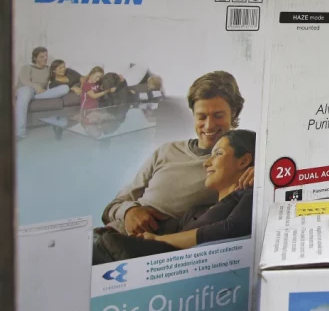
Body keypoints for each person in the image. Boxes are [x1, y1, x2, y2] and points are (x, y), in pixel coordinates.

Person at [101, 70, 249, 236]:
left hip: (150, 250)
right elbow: (112, 207)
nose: (208, 126)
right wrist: (129, 212)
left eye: (218, 116)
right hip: (108, 236)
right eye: (201, 117)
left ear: (234, 113)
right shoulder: (166, 151)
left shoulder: (243, 158)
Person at [93, 130, 256, 262]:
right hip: (112, 250)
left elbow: (230, 228)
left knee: (104, 243)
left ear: (243, 161)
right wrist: (130, 213)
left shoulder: (249, 197)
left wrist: (158, 240)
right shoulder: (195, 212)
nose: (206, 162)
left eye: (218, 154)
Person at [15, 47, 69, 137]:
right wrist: (37, 87)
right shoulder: (26, 67)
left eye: (46, 56)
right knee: (26, 91)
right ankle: (20, 133)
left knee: (65, 88)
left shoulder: (48, 70)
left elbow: (60, 73)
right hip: (27, 90)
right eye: (41, 56)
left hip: (40, 94)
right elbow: (25, 81)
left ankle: (31, 98)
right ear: (35, 58)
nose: (45, 58)